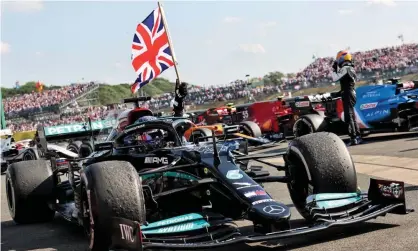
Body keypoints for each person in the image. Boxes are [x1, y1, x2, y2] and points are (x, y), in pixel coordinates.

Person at [331, 50, 362, 146]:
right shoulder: (351, 68)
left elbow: (335, 78)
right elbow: (347, 84)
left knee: (349, 116)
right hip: (350, 93)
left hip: (348, 94)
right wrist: (338, 93)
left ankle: (354, 138)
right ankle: (357, 136)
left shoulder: (346, 68)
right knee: (352, 115)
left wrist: (334, 69)